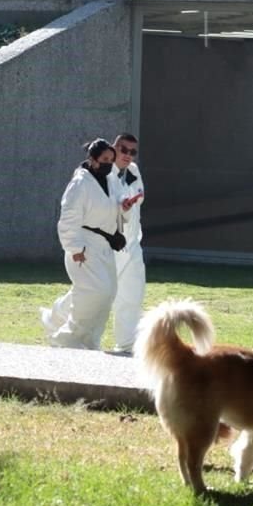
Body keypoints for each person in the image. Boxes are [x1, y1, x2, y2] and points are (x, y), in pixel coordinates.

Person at [41, 139, 131, 349]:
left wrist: (124, 206)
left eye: (112, 159)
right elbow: (68, 218)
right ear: (93, 159)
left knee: (107, 293)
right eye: (105, 159)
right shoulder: (80, 184)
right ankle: (68, 337)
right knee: (95, 291)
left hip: (104, 244)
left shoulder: (111, 180)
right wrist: (74, 248)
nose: (109, 163)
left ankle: (82, 335)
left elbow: (117, 202)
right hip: (84, 243)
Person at [109, 133, 146, 354]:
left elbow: (138, 199)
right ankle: (62, 326)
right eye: (123, 149)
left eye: (132, 152)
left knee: (132, 294)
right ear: (115, 148)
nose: (128, 155)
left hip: (132, 243)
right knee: (98, 294)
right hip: (111, 245)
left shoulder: (133, 172)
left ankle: (127, 343)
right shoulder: (103, 173)